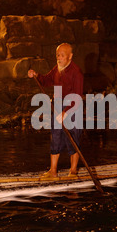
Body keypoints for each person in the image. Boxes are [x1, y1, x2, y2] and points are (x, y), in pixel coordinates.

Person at [28, 43, 84, 178]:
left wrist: (66, 112)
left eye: (62, 55)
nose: (59, 58)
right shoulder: (57, 69)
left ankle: (73, 170)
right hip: (58, 106)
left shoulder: (76, 72)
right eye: (57, 55)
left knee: (72, 138)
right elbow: (46, 80)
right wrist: (36, 75)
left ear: (70, 57)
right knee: (56, 137)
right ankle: (53, 171)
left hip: (72, 108)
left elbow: (77, 97)